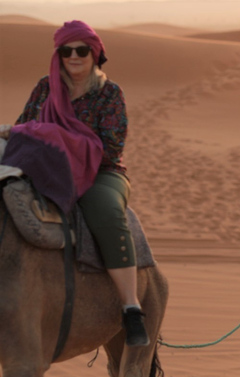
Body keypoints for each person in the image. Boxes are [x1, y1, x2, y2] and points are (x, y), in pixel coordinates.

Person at [0, 20, 149, 345]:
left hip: (101, 173)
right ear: (59, 54)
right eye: (67, 50)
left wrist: (53, 136)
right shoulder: (45, 88)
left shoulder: (109, 94)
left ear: (94, 53)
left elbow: (111, 146)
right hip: (45, 167)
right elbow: (27, 126)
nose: (74, 56)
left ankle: (130, 306)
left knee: (107, 213)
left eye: (81, 49)